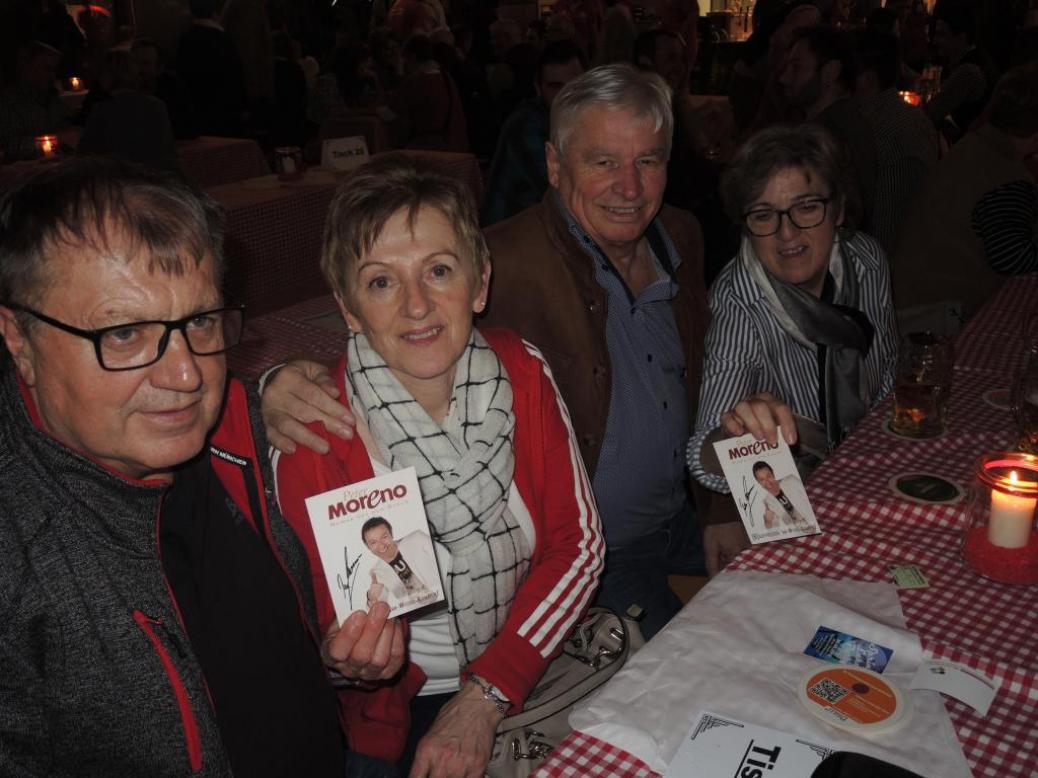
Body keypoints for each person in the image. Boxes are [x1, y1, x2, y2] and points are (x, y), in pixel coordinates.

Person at [263, 64, 710, 635]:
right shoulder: (504, 261)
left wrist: (720, 502)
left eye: (648, 161)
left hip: (685, 517)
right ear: (553, 165)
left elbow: (702, 376)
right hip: (603, 561)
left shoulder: (682, 235)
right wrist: (274, 384)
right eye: (602, 162)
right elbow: (392, 330)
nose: (629, 188)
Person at [0, 158, 402, 777]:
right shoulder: (19, 556)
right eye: (126, 333)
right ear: (18, 338)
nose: (187, 375)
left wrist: (332, 661)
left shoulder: (238, 430)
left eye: (201, 321)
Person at [271, 154, 604, 775]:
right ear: (348, 307)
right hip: (391, 713)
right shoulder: (313, 433)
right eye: (381, 282)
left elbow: (576, 547)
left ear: (479, 283)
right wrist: (343, 662)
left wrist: (484, 698)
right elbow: (293, 630)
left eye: (439, 270)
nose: (417, 306)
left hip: (529, 664)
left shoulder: (523, 371)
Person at [687, 124, 898, 569]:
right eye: (764, 215)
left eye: (806, 207)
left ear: (838, 209)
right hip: (791, 502)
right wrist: (732, 432)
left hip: (868, 472)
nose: (786, 234)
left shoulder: (866, 261)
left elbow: (887, 380)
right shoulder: (738, 302)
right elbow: (706, 454)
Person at [893, 63, 1038, 333]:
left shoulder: (978, 145)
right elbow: (1012, 258)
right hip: (934, 315)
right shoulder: (1004, 174)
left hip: (911, 298)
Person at [779, 24, 878, 231]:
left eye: (796, 67)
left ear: (831, 72)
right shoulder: (844, 121)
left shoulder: (828, 133)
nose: (784, 77)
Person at [481, 39, 587, 226]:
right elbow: (564, 191)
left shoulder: (580, 121)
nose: (565, 95)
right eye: (555, 86)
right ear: (538, 88)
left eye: (573, 86)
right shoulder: (526, 125)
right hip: (508, 240)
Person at [853, 27, 938, 255]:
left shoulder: (880, 131)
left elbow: (886, 233)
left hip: (893, 269)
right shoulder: (913, 118)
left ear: (864, 78)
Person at [77, 48, 179, 173]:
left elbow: (86, 152)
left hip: (122, 180)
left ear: (107, 76)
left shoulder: (103, 110)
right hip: (157, 177)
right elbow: (168, 151)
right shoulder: (157, 105)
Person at [176, 0, 249, 136]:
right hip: (225, 109)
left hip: (197, 109)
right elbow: (235, 75)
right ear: (216, 12)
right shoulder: (223, 40)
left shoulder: (185, 39)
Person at [392, 34, 468, 152]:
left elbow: (393, 112)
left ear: (412, 57)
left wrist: (399, 74)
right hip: (454, 142)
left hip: (429, 146)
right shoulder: (446, 76)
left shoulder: (417, 81)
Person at [0, 40, 69, 161]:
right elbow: (9, 146)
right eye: (45, 68)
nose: (52, 76)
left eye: (53, 70)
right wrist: (57, 139)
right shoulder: (8, 103)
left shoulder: (53, 100)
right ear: (24, 65)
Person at [361, 518, 438, 607]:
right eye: (373, 542)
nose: (381, 545)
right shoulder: (376, 575)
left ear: (391, 534)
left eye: (384, 537)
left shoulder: (417, 539)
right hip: (418, 618)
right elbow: (377, 611)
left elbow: (447, 561)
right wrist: (371, 599)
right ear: (368, 547)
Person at [752, 461, 811, 528]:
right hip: (801, 531)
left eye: (768, 476)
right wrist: (767, 521)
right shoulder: (768, 502)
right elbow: (774, 527)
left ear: (773, 474)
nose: (767, 482)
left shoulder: (791, 480)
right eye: (762, 479)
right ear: (759, 483)